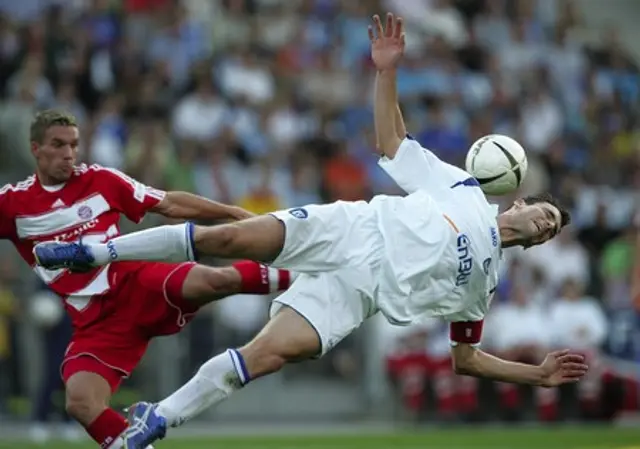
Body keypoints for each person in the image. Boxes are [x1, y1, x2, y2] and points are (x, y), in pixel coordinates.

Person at [35, 14, 588, 449]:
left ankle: (155, 419)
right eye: (543, 216)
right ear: (518, 201)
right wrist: (386, 69)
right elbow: (391, 143)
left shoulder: (485, 283)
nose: (542, 228)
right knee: (227, 240)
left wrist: (534, 375)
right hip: (349, 231)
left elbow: (466, 359)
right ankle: (96, 250)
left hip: (357, 294)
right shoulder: (464, 188)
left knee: (268, 356)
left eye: (549, 232)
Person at [0, 109, 294, 449]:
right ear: (36, 149)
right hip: (96, 322)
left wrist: (233, 213)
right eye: (58, 145)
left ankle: (300, 273)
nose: (69, 154)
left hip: (136, 282)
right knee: (80, 402)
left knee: (215, 281)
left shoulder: (102, 180)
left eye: (74, 145)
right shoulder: (12, 204)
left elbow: (168, 203)